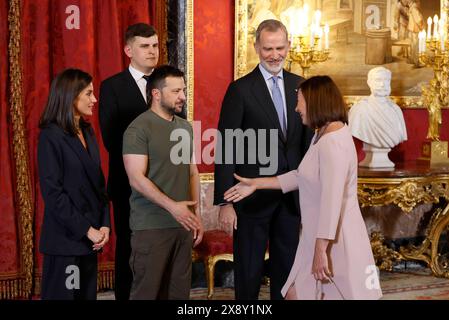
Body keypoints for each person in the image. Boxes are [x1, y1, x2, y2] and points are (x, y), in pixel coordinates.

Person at [224, 75, 383, 300]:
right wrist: (257, 184)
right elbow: (301, 176)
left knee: (305, 294)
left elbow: (332, 200)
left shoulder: (333, 142)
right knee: (293, 293)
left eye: (300, 101)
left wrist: (320, 251)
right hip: (315, 235)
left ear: (315, 101)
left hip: (334, 240)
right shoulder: (322, 134)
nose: (296, 108)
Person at [214, 19, 313, 300]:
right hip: (250, 199)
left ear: (289, 46)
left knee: (288, 269)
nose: (275, 55)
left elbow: (306, 146)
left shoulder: (301, 85)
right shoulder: (240, 90)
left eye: (280, 48)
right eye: (268, 48)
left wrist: (309, 193)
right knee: (249, 271)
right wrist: (225, 203)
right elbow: (227, 147)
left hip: (290, 198)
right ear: (257, 47)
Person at [122, 65, 203, 300]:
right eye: (176, 91)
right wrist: (173, 207)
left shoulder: (184, 127)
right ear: (156, 94)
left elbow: (192, 172)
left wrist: (195, 212)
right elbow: (136, 178)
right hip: (151, 227)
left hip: (183, 226)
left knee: (179, 295)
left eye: (184, 90)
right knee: (147, 294)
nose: (183, 97)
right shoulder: (138, 128)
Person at [38, 68, 111, 300]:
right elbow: (53, 194)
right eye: (89, 94)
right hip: (65, 243)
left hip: (90, 242)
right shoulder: (51, 136)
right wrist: (87, 230)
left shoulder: (87, 131)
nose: (95, 99)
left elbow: (99, 185)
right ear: (71, 96)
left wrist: (104, 225)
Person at [98, 23, 159, 300]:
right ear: (128, 50)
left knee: (161, 247)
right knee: (129, 249)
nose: (152, 51)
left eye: (155, 46)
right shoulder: (112, 86)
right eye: (145, 46)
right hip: (127, 184)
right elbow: (111, 140)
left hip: (165, 182)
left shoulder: (167, 82)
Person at [348, 67, 407, 167]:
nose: (382, 85)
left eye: (386, 80)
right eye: (378, 80)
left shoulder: (396, 110)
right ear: (369, 82)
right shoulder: (359, 109)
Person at [407, 0, 424, 66]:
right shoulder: (414, 8)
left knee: (412, 45)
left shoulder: (411, 8)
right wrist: (421, 26)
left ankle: (412, 59)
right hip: (415, 28)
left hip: (411, 28)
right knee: (415, 45)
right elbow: (418, 20)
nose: (420, 3)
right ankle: (416, 62)